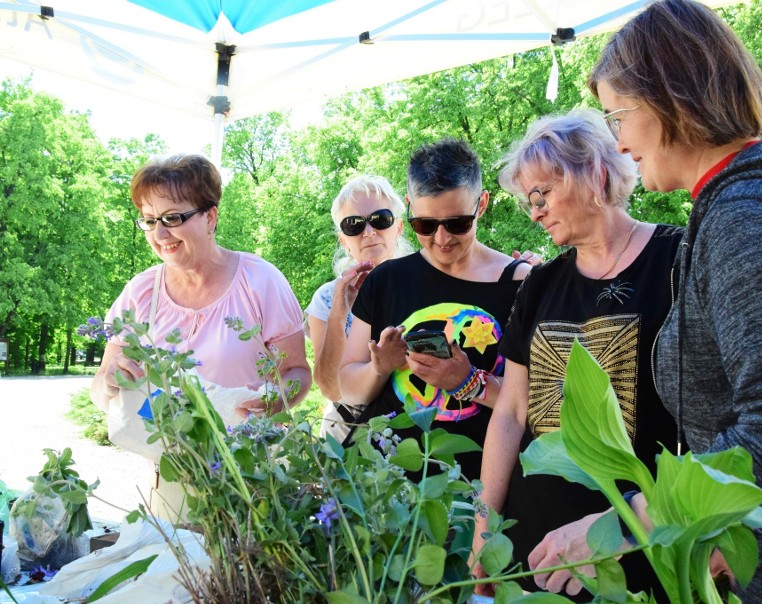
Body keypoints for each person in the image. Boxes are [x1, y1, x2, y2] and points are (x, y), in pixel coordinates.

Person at [545, 0, 762, 600]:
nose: (618, 140)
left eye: (619, 116)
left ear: (670, 102)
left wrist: (624, 523)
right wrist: (710, 525)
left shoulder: (751, 219)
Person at [470, 109, 682, 597]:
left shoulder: (676, 260)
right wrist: (486, 528)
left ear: (595, 173)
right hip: (535, 546)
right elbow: (511, 413)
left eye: (542, 194)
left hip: (637, 542)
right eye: (528, 202)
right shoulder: (540, 285)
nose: (535, 211)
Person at [91, 154, 311, 516]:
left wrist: (273, 401)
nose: (159, 234)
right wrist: (112, 381)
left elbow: (299, 373)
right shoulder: (141, 292)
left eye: (172, 218)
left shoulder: (260, 281)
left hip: (250, 471)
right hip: (172, 475)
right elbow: (101, 387)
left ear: (210, 216)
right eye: (149, 221)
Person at [338, 138, 532, 481]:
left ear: (482, 204)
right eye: (425, 225)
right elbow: (348, 385)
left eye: (457, 223)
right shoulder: (385, 279)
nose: (442, 239)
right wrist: (379, 368)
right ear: (410, 208)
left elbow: (539, 404)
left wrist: (468, 381)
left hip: (469, 491)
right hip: (379, 483)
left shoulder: (522, 284)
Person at [304, 175, 414, 442]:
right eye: (353, 225)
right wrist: (339, 314)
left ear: (398, 227)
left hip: (411, 428)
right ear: (344, 240)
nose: (368, 232)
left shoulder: (423, 283)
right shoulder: (327, 298)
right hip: (347, 431)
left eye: (381, 220)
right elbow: (330, 388)